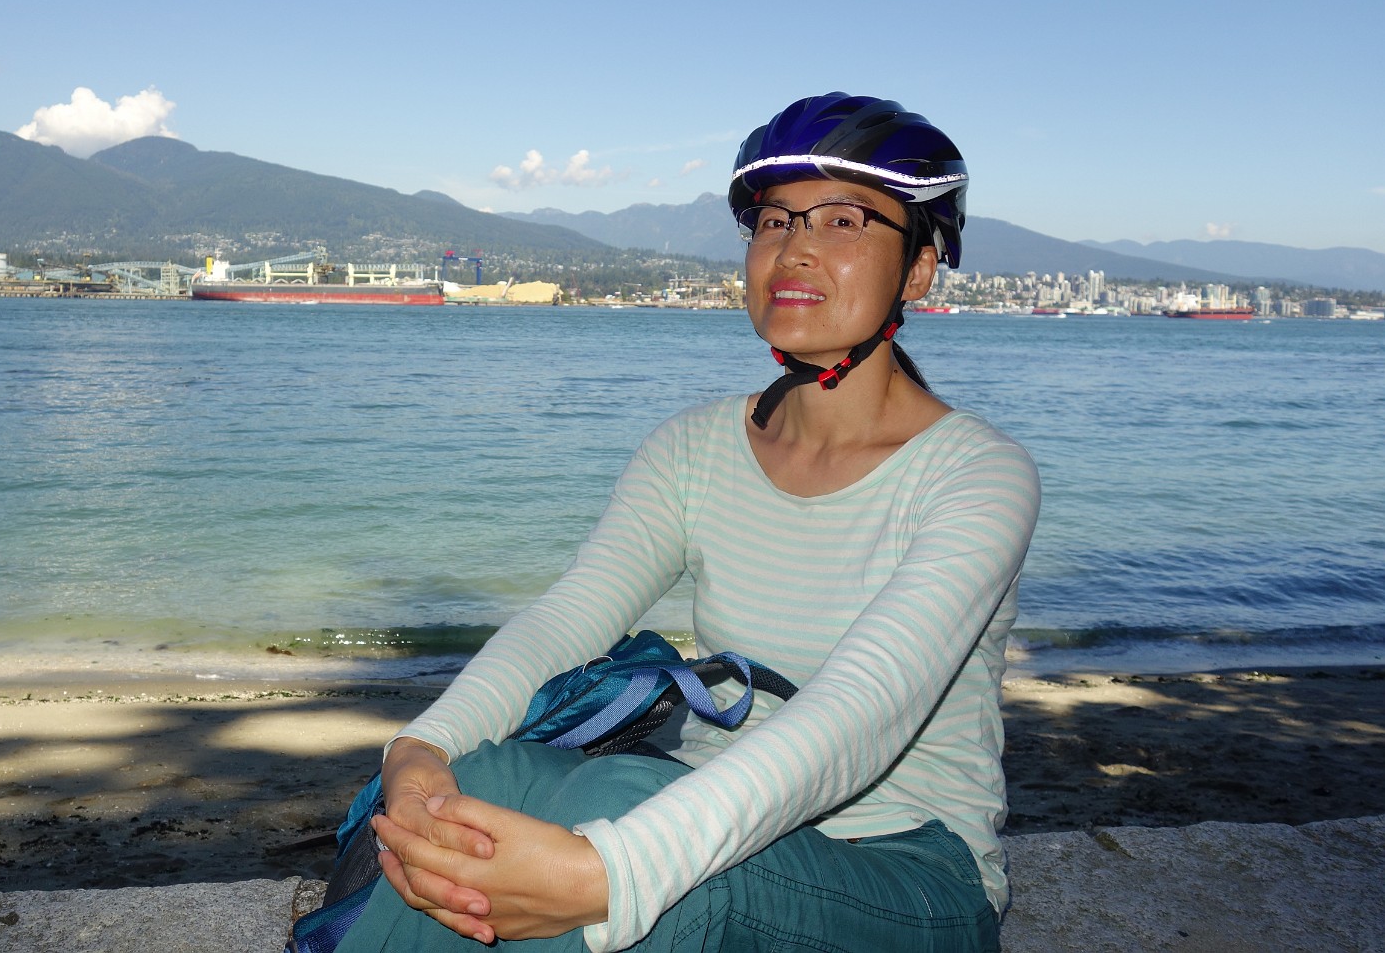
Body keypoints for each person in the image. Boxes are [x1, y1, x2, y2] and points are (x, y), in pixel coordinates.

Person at [341, 92, 1041, 952]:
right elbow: (571, 616)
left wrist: (610, 874)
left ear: (920, 269)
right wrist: (423, 748)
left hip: (908, 869)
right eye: (775, 220)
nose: (796, 248)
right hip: (714, 814)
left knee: (616, 811)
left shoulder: (978, 474)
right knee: (481, 783)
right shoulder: (693, 447)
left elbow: (860, 714)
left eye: (843, 220)